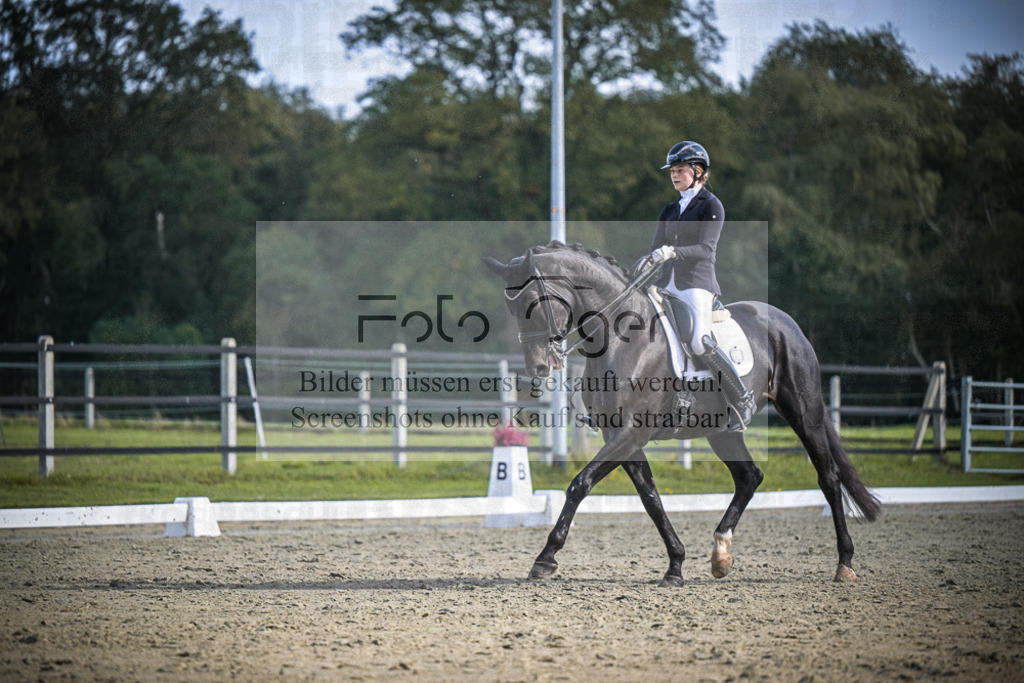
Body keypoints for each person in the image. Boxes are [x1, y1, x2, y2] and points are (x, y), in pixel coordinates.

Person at [648, 141, 755, 431]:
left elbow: (706, 249)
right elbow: (655, 247)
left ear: (698, 171)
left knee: (698, 340)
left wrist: (673, 252)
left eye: (680, 170)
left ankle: (742, 399)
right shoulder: (669, 210)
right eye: (672, 170)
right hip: (665, 282)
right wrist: (648, 262)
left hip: (695, 283)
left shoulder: (711, 205)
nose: (674, 175)